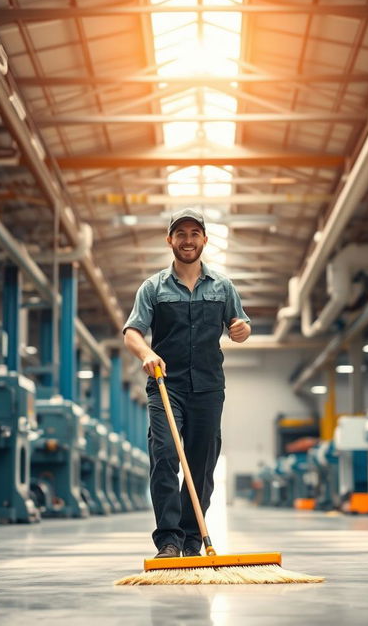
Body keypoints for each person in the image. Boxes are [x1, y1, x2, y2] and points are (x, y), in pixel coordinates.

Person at [123, 208, 251, 558]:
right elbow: (132, 332)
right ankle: (168, 540)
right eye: (181, 234)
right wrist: (146, 354)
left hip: (208, 387)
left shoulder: (223, 287)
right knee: (164, 454)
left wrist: (241, 330)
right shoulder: (153, 288)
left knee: (202, 463)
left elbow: (240, 327)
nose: (188, 240)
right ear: (170, 240)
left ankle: (193, 539)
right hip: (166, 384)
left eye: (195, 233)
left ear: (204, 240)